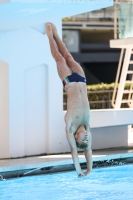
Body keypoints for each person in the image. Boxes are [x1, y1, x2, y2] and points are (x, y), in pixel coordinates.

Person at [45, 22, 92, 178]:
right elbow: (88, 150)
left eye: (83, 140)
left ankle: (49, 35)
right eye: (88, 139)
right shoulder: (87, 125)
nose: (86, 138)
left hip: (69, 82)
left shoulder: (71, 125)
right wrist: (89, 169)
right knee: (69, 56)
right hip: (82, 79)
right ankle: (57, 34)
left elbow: (75, 151)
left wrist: (79, 171)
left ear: (76, 138)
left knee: (59, 58)